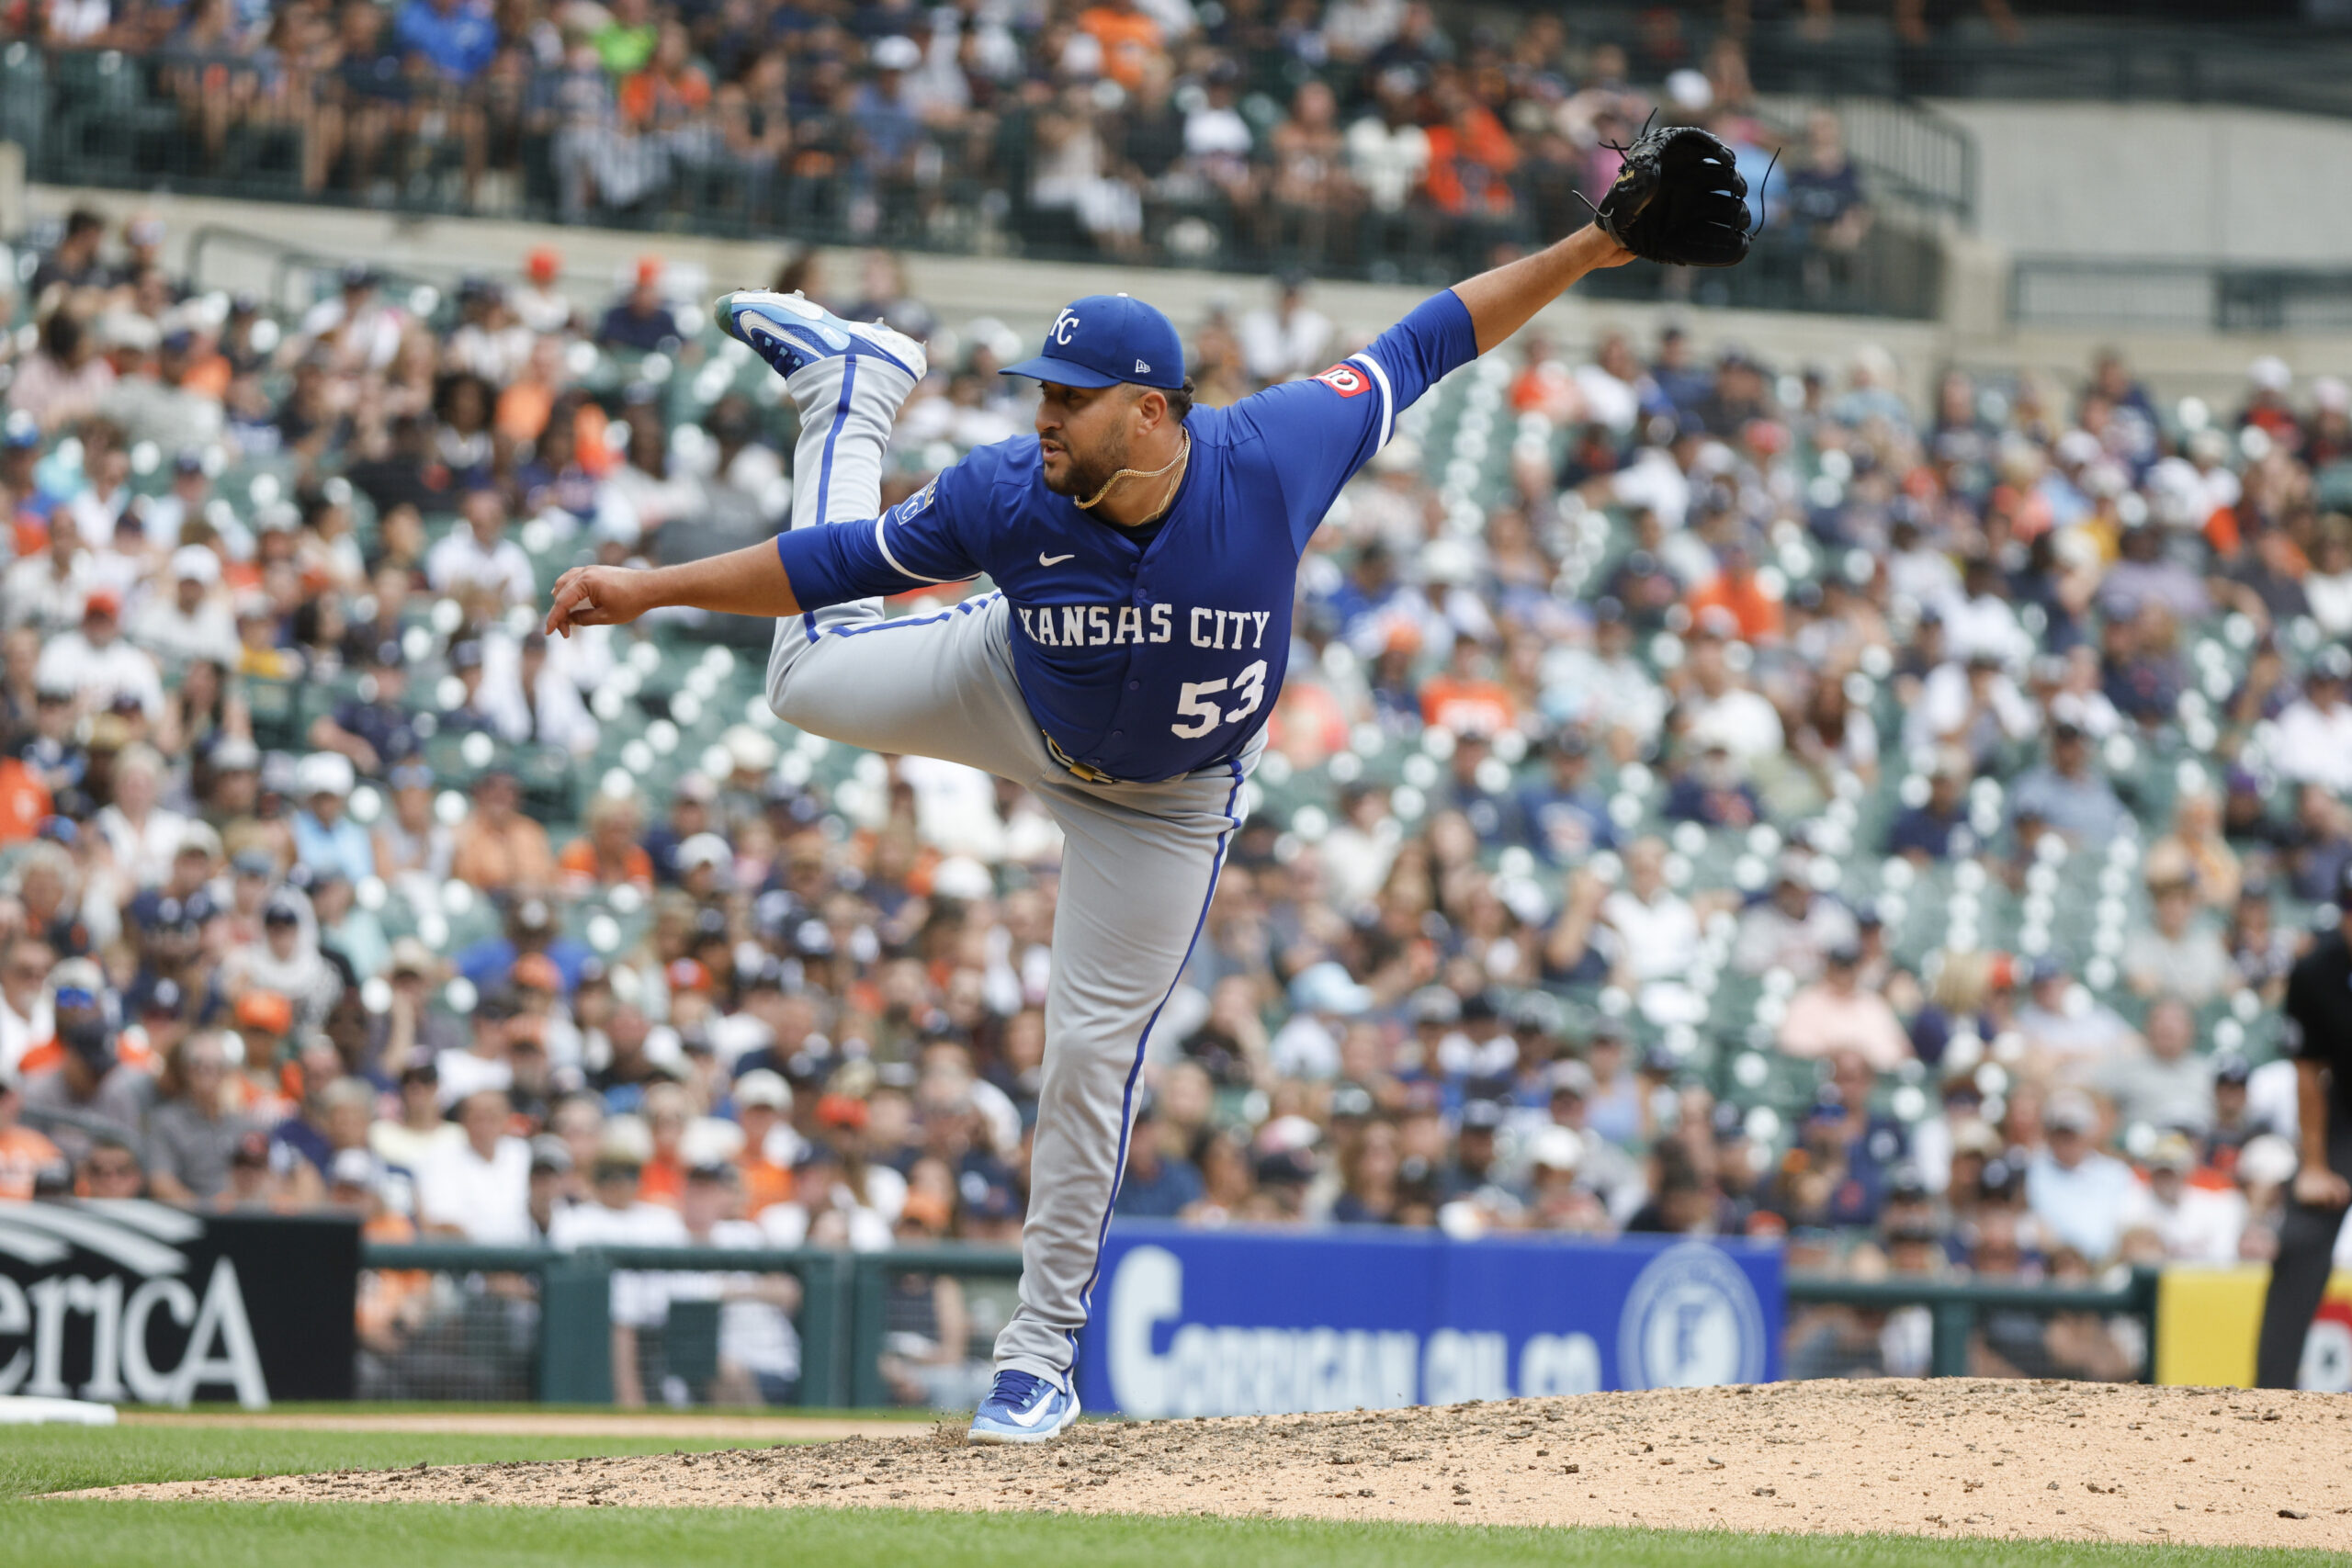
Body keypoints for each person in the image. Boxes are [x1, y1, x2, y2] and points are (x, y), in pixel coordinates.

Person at [545, 220, 1643, 1442]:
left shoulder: (1276, 449)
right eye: (1042, 394)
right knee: (800, 678)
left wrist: (1595, 244)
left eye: (1072, 397)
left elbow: (1436, 334)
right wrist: (651, 586)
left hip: (1169, 805)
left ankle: (1036, 1358)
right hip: (1014, 691)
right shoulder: (1003, 492)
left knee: (1087, 1054)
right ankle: (848, 392)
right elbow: (835, 560)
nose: (1046, 415)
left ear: (1153, 411)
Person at [2256, 863, 2352, 1388]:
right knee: (2301, 1234)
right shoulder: (2318, 971)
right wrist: (2313, 1165)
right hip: (2345, 1111)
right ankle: (2268, 1403)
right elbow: (2309, 1074)